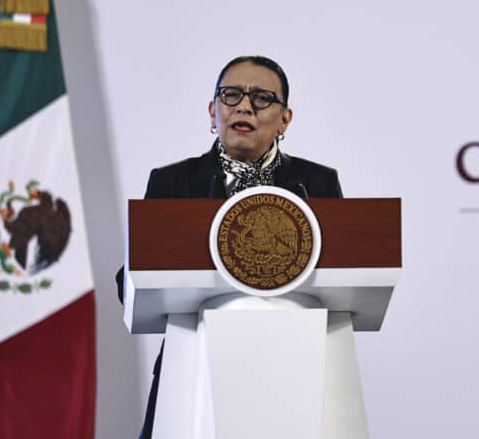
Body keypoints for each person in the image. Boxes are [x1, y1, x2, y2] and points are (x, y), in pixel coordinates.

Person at [114, 55, 342, 438]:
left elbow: (345, 271)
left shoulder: (314, 184)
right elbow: (129, 283)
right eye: (231, 95)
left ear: (285, 119)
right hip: (192, 369)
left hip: (293, 369)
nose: (244, 106)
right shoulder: (173, 183)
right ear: (212, 110)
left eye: (262, 98)